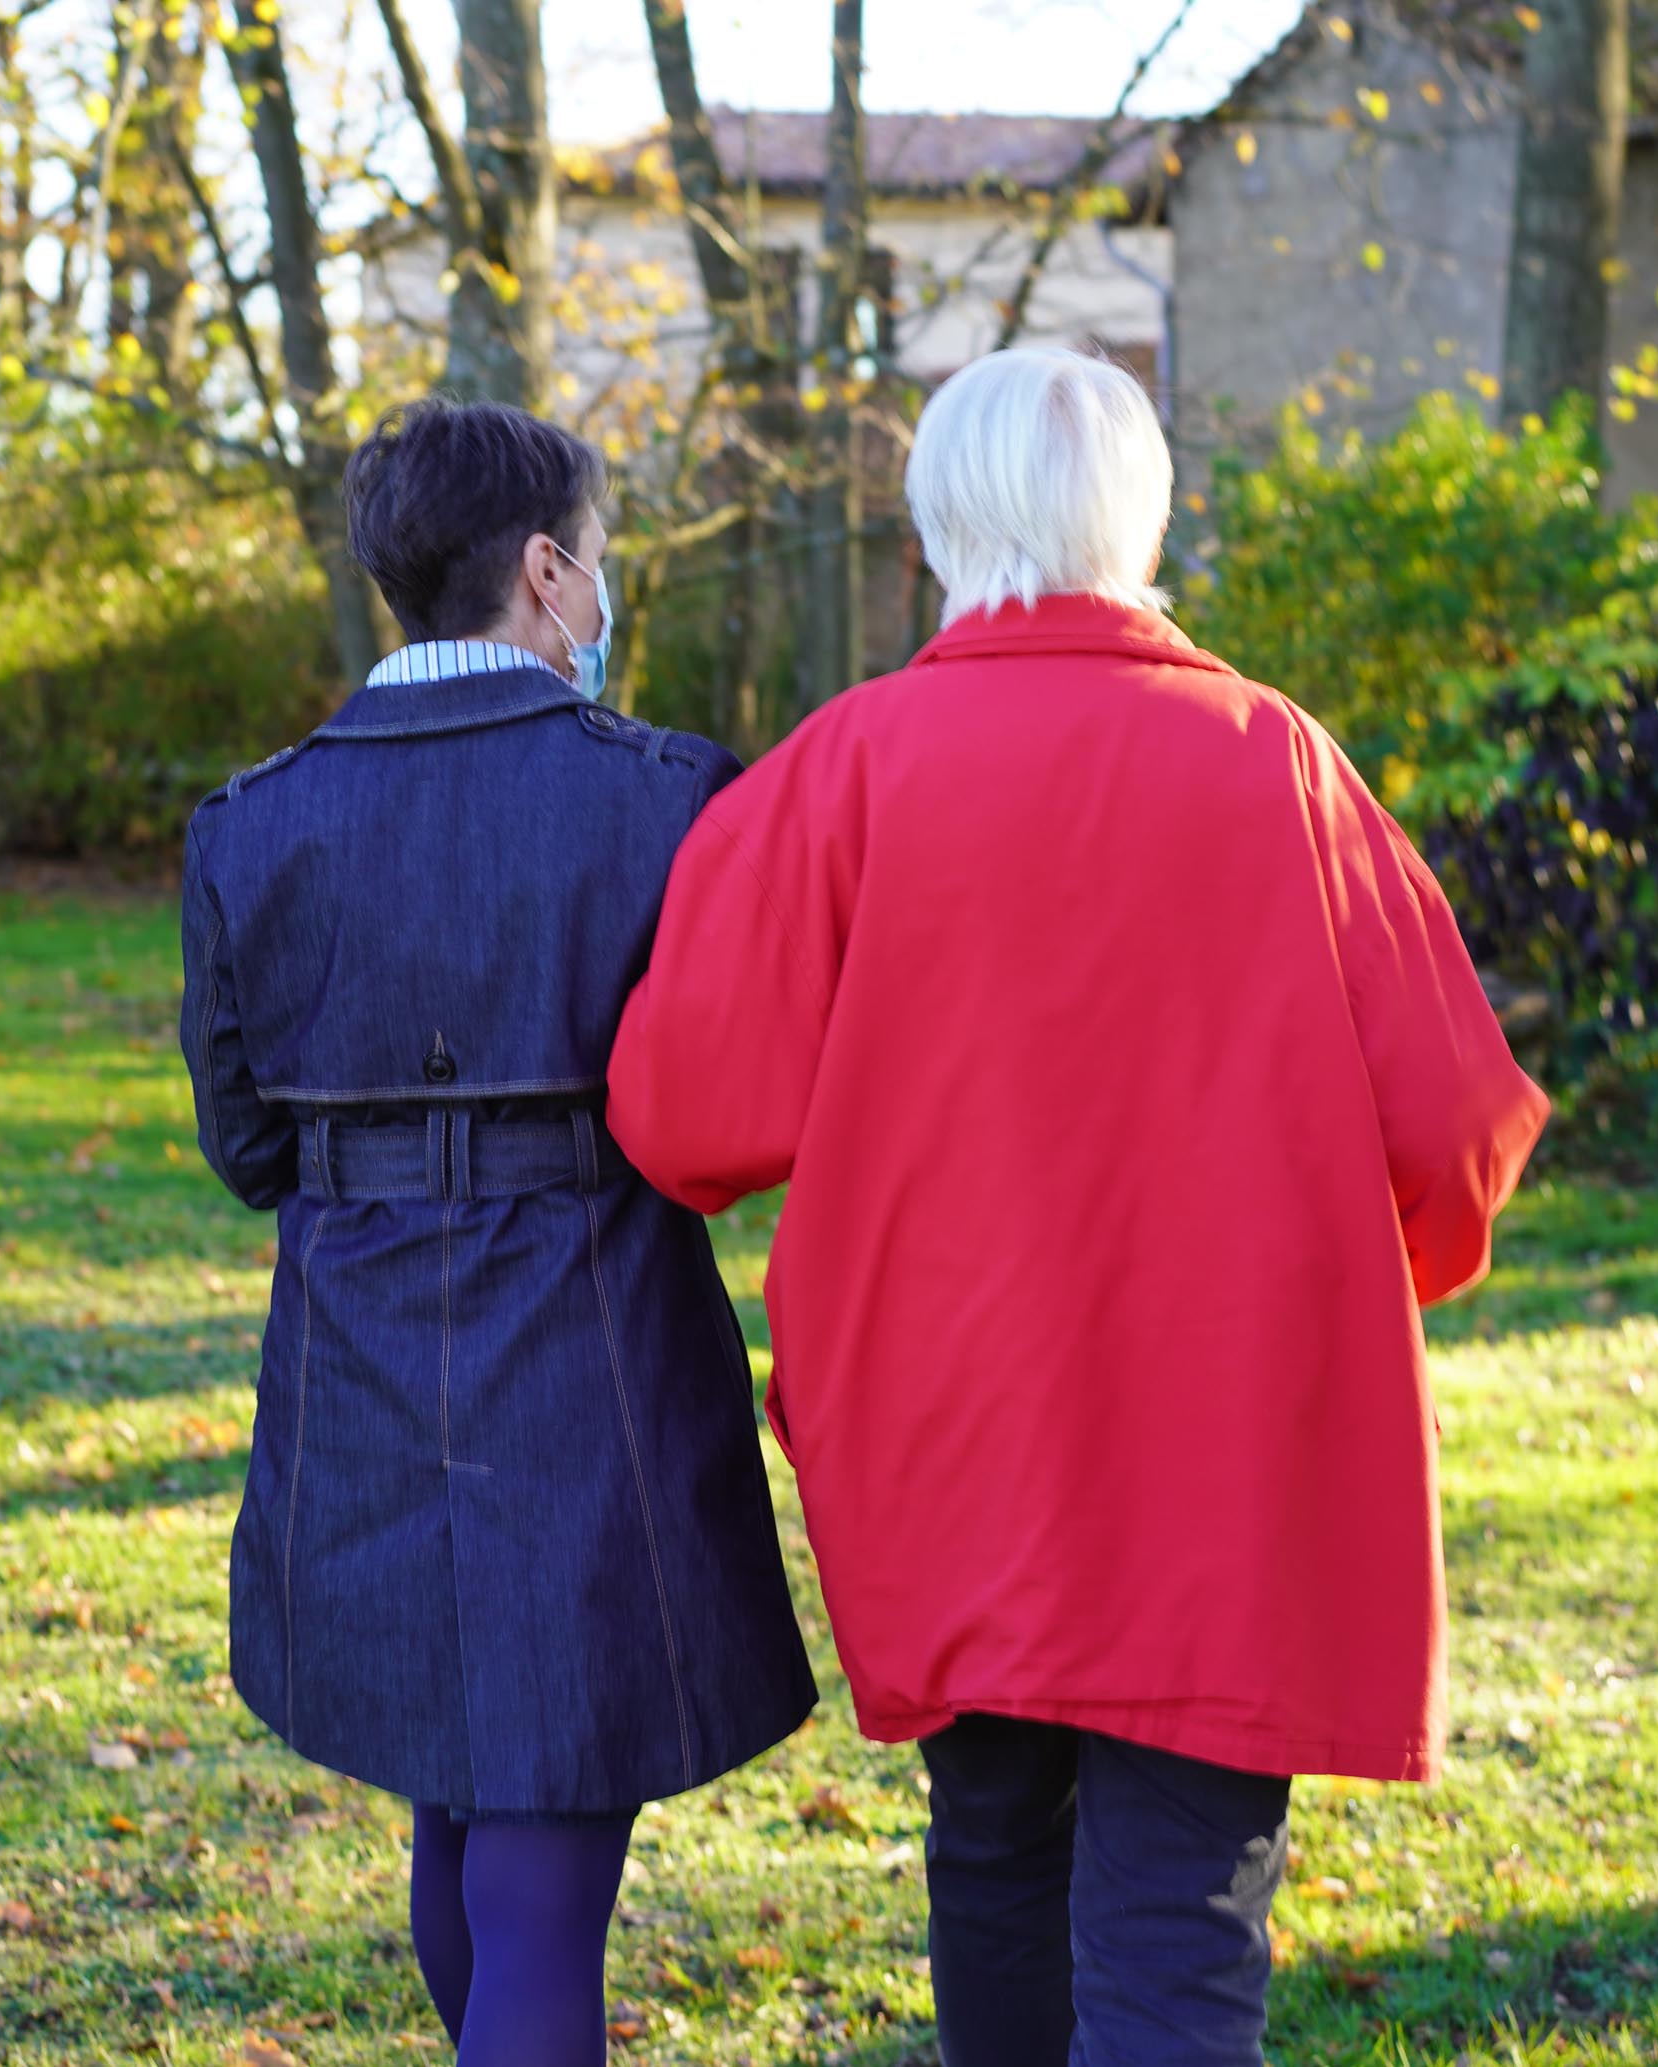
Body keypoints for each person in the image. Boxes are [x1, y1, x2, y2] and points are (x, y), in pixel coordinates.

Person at [606, 345, 1550, 2066]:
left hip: (945, 1431)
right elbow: (1463, 1126)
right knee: (1183, 1915)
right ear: (1150, 515)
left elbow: (682, 1120)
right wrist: (1350, 1267)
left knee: (993, 1854)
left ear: (933, 524)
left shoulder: (843, 772)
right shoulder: (1280, 764)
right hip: (1233, 1435)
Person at [178, 396, 816, 2067]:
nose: (601, 599)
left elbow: (247, 1148)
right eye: (597, 566)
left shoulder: (248, 824)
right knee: (539, 1868)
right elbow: (734, 1118)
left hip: (359, 1362)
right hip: (591, 1357)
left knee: (462, 1800)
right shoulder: (672, 796)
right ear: (547, 572)